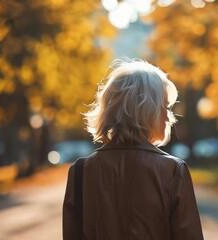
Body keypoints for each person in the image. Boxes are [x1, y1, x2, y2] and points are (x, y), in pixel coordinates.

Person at [63, 59, 203, 240]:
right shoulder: (173, 171)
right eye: (166, 107)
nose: (169, 117)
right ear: (148, 110)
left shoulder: (80, 172)